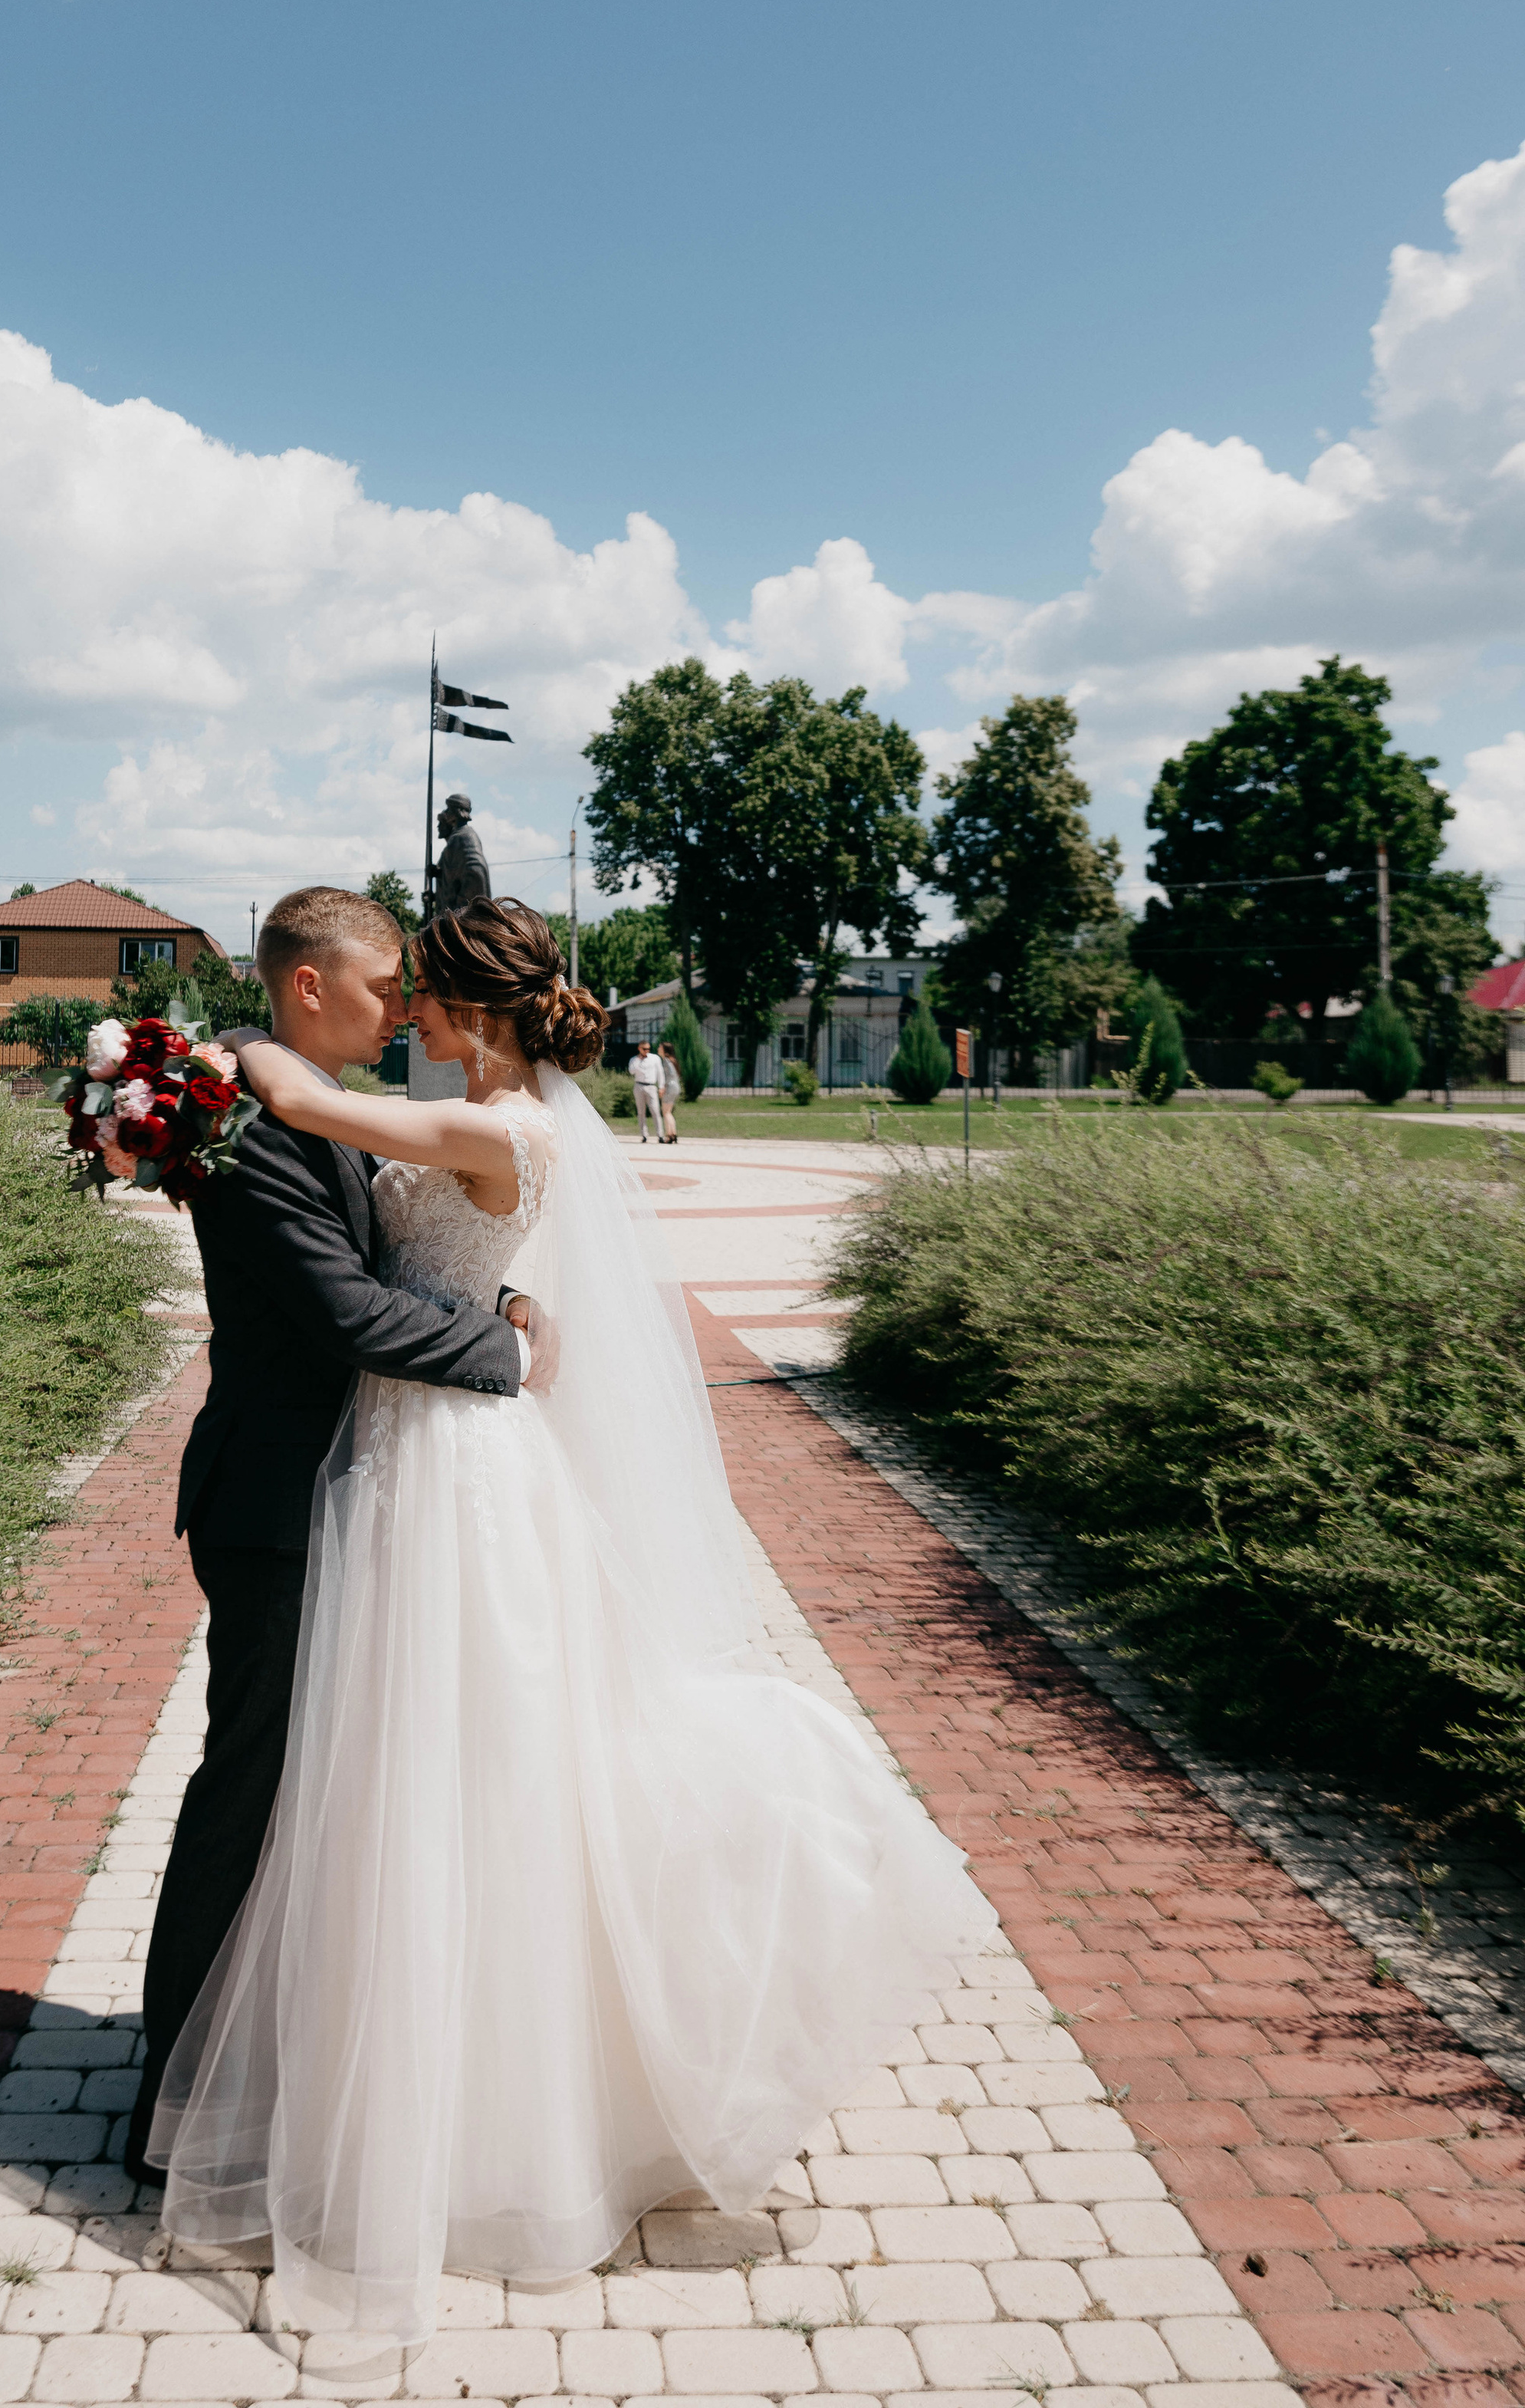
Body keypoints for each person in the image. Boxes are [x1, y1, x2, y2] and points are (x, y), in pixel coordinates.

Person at [146, 896, 990, 2344]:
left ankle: (442, 2093)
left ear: (472, 1014)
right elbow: (349, 1238)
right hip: (386, 1465)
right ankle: (335, 2066)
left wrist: (222, 1058)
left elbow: (318, 1125)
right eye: (387, 985)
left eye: (421, 993)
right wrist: (209, 1068)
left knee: (451, 1780)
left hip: (446, 1466)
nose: (405, 1010)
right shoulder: (429, 1116)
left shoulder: (487, 1125)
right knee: (378, 1782)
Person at [123, 887, 545, 2186]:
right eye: (380, 986)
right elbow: (349, 1315)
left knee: (326, 1792)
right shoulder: (260, 1126)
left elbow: (398, 1262)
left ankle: (283, 2060)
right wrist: (506, 1354)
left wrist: (495, 1294)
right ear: (309, 987)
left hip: (342, 1490)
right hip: (275, 1505)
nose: (399, 1008)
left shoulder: (307, 1105)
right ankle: (171, 2101)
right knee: (248, 1792)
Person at [627, 1033, 662, 1142]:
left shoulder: (655, 1058)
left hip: (651, 1086)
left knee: (655, 1111)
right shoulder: (634, 1060)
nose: (647, 1051)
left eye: (648, 1049)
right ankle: (644, 1135)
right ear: (640, 1049)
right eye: (645, 1049)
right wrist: (639, 1060)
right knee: (641, 1111)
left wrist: (661, 1086)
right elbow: (632, 1071)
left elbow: (660, 1073)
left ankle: (660, 1135)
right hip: (639, 1086)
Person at [659, 1035, 682, 1143]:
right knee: (669, 1112)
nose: (658, 1049)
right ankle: (673, 1133)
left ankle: (669, 1135)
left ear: (665, 1050)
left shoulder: (666, 1061)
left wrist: (664, 1086)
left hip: (669, 1087)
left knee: (666, 1112)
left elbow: (670, 1075)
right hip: (676, 1087)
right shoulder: (672, 1060)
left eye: (660, 1047)